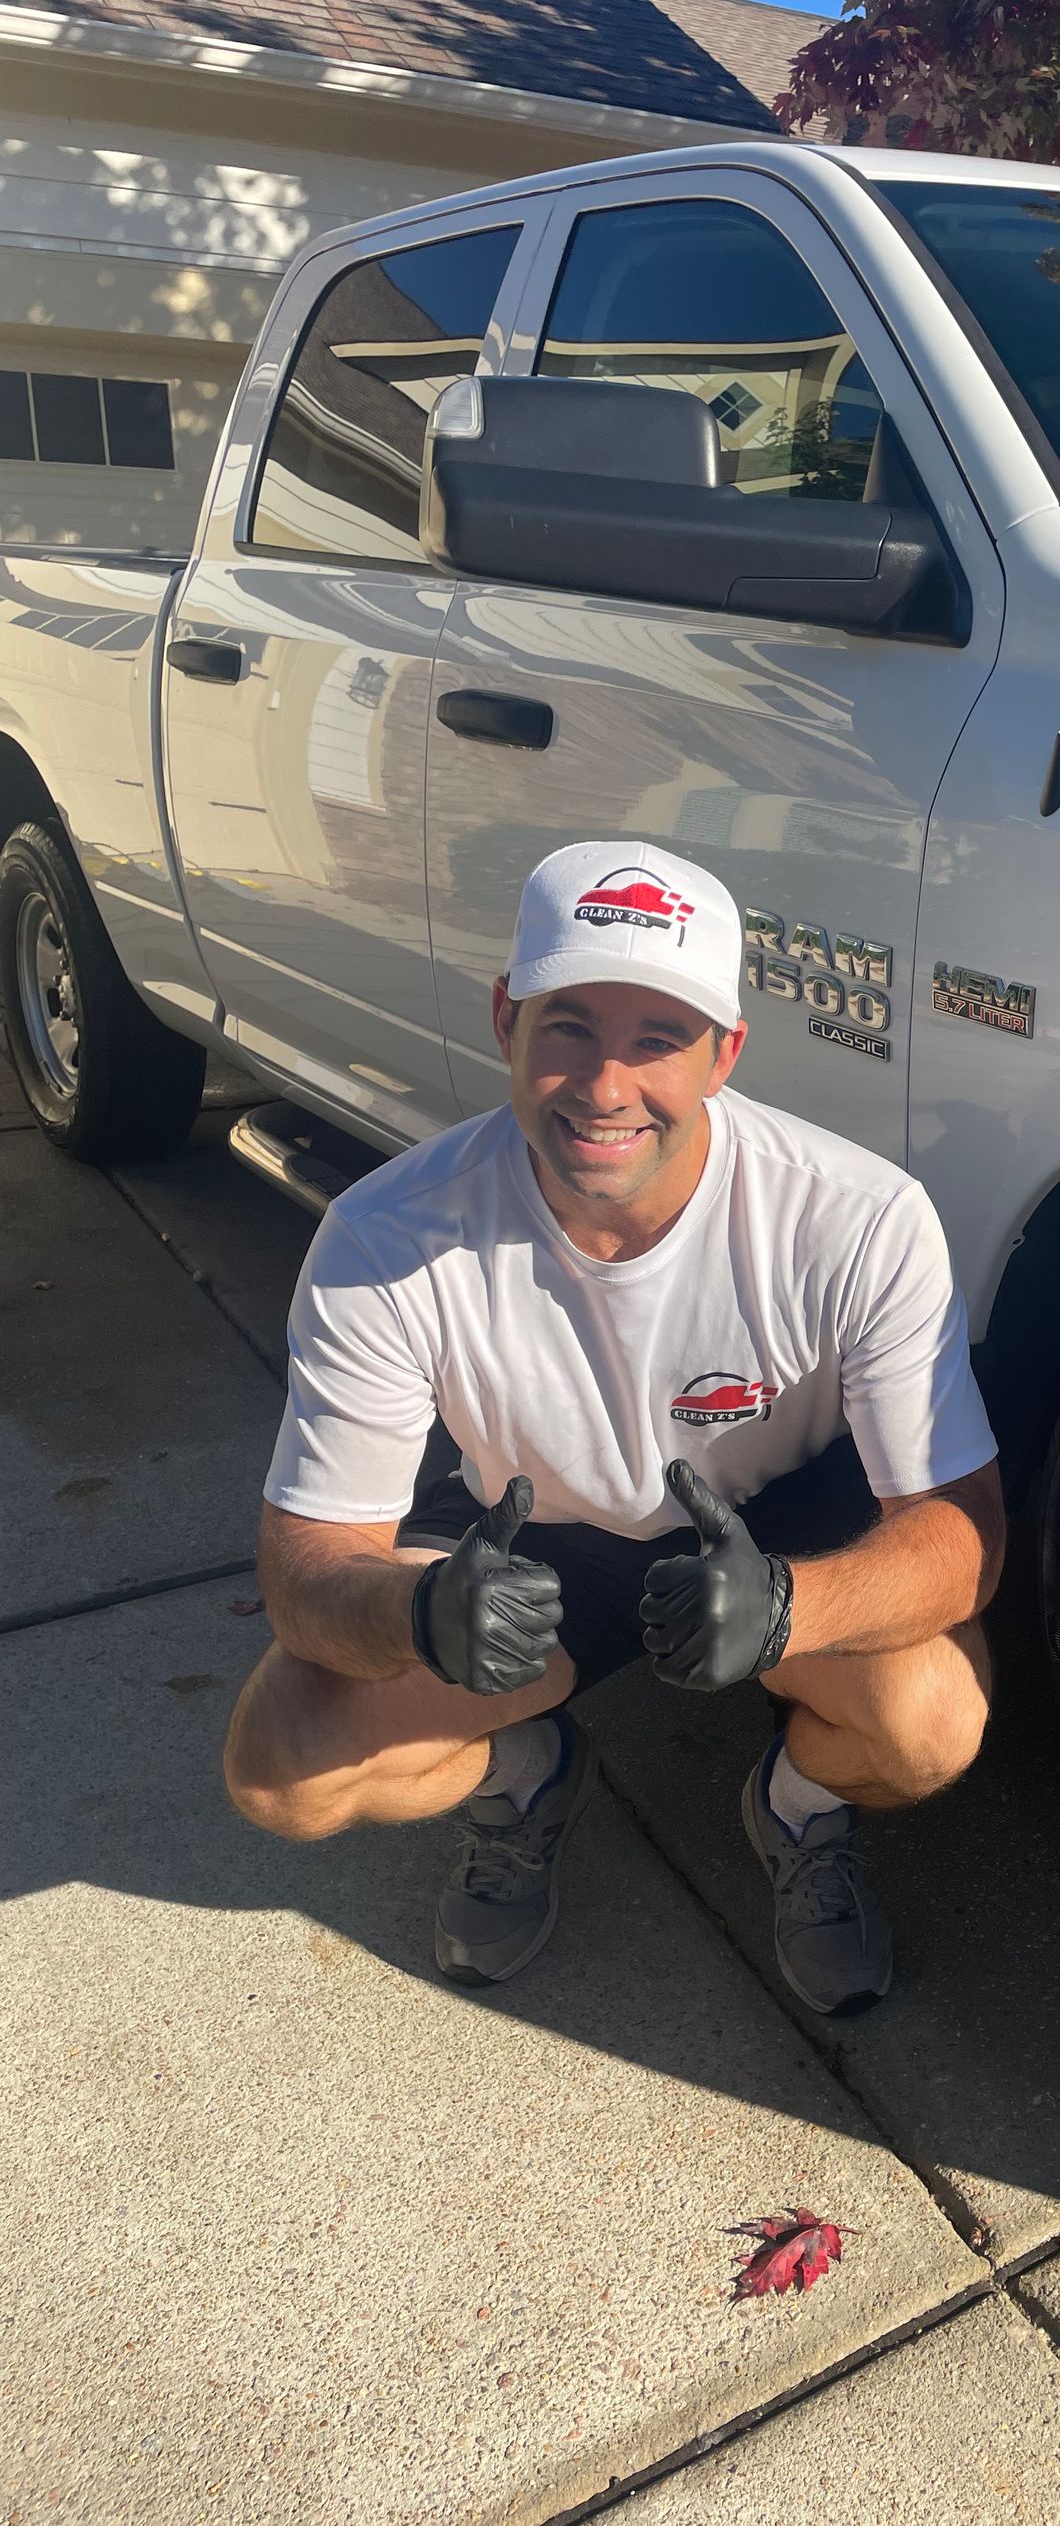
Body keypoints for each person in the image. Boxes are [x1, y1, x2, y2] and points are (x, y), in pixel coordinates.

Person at [223, 840, 1002, 2020]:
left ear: (726, 1052)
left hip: (768, 1525)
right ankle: (524, 1772)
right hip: (530, 1540)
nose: (605, 1083)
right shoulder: (384, 1238)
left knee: (933, 1723)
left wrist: (796, 1604)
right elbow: (304, 1571)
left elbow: (965, 1534)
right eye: (572, 1025)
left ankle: (800, 1803)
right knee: (283, 1764)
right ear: (507, 1021)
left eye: (658, 1039)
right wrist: (415, 1612)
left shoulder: (860, 1219)